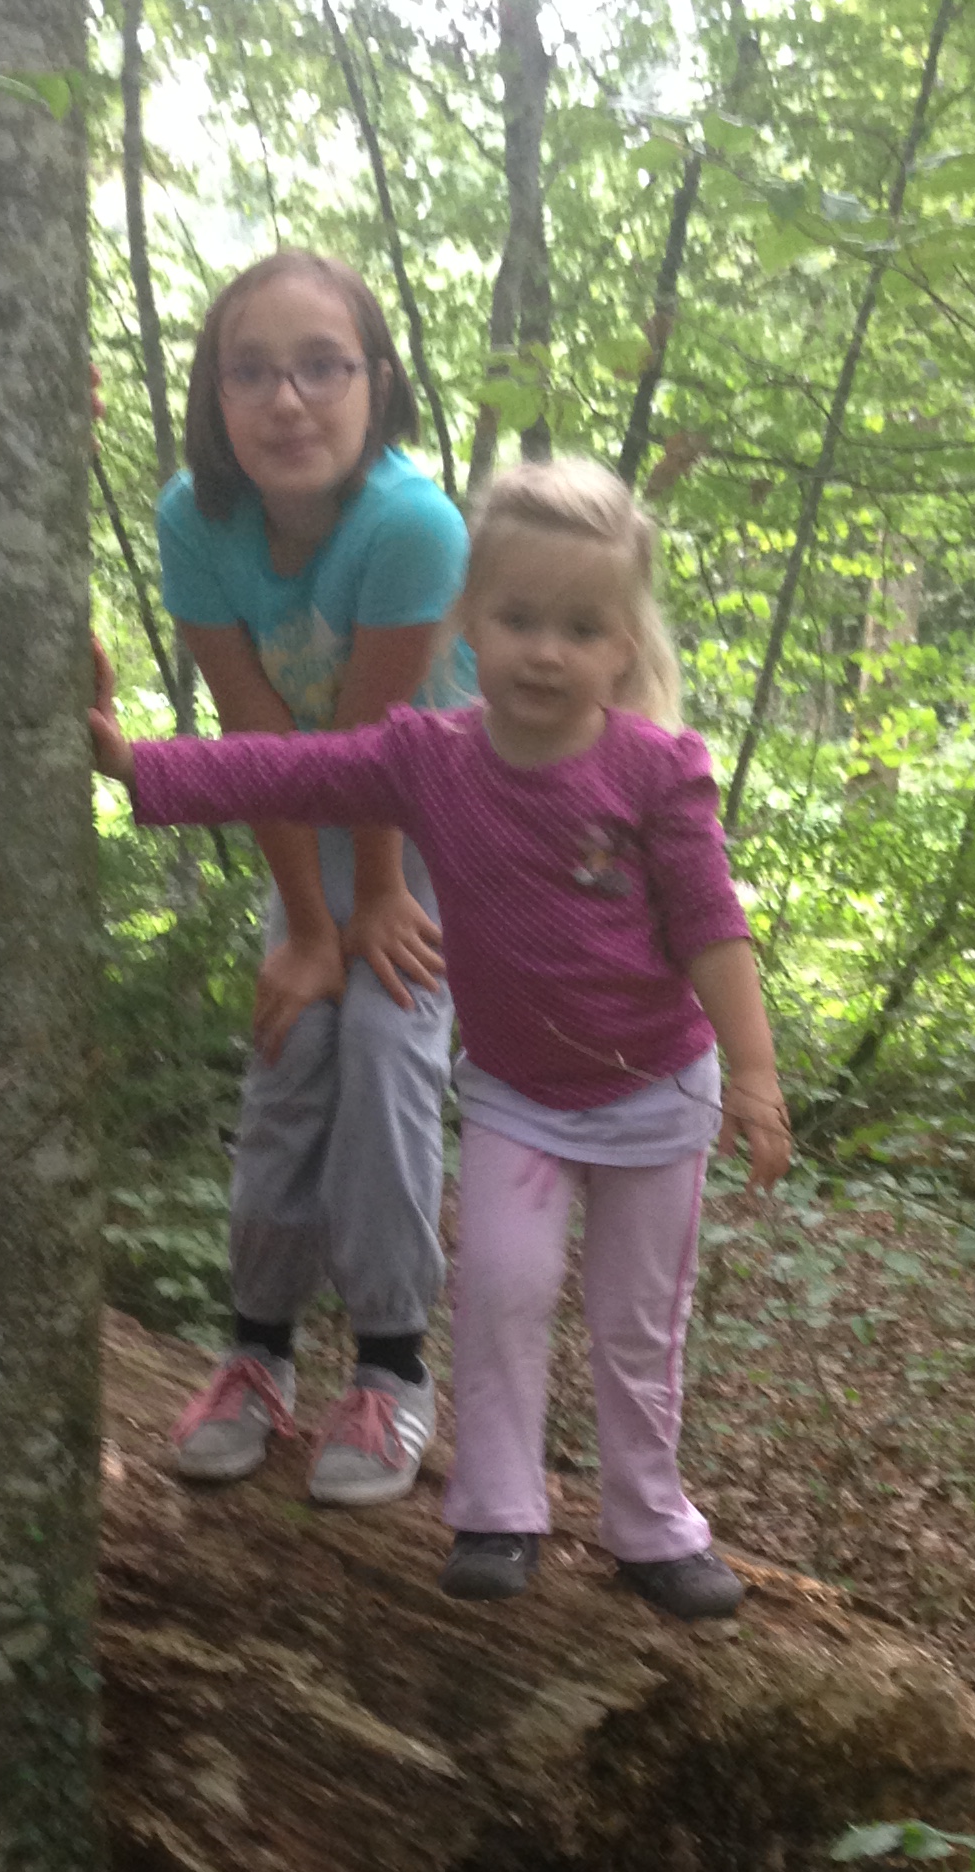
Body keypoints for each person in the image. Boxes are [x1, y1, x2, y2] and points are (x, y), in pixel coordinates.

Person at [91, 457, 792, 1617]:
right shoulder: (430, 756)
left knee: (635, 1325)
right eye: (518, 619)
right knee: (503, 1292)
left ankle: (650, 1524)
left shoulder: (657, 771)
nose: (545, 652)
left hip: (658, 1091)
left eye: (581, 629)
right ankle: (499, 1512)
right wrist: (133, 763)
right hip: (520, 1094)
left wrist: (755, 1078)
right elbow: (287, 766)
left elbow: (714, 927)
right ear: (468, 621)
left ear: (624, 647)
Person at [154, 249, 473, 1508]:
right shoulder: (197, 521)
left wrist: (378, 903)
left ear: (376, 382)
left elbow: (380, 748)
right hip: (309, 817)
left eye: (322, 367)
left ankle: (393, 1367)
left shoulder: (413, 525)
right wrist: (304, 927)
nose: (287, 400)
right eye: (252, 372)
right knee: (292, 1047)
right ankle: (259, 1352)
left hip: (435, 821)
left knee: (389, 1046)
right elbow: (260, 740)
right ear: (216, 396)